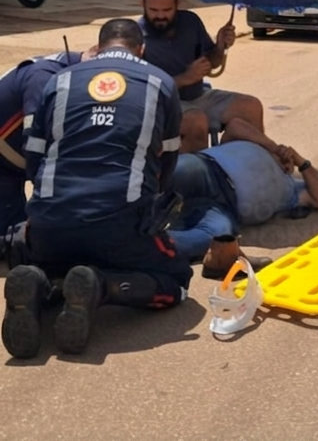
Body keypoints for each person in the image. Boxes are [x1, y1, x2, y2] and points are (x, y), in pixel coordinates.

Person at [2, 19, 190, 359]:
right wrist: (151, 208)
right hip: (118, 225)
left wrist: (42, 210)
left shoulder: (58, 81)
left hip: (48, 225)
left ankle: (39, 283)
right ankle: (102, 287)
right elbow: (170, 158)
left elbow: (34, 158)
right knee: (176, 279)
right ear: (141, 49)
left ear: (98, 46)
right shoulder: (160, 82)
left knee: (55, 252)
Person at [166, 116, 318, 279]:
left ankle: (148, 243)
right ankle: (140, 206)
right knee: (165, 175)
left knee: (221, 237)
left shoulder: (295, 191)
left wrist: (301, 161)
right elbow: (236, 125)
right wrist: (274, 148)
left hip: (223, 208)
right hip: (206, 170)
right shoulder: (262, 146)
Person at [138, 0, 265, 148]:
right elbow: (140, 90)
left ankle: (246, 166)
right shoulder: (136, 37)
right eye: (153, 10)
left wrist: (220, 46)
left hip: (199, 96)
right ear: (142, 5)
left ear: (178, 5)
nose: (160, 16)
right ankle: (198, 172)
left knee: (251, 106)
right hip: (164, 106)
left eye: (167, 10)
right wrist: (184, 78)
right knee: (197, 121)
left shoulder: (191, 22)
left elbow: (212, 62)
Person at [0, 51, 89, 237]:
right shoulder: (44, 77)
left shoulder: (73, 75)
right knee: (13, 238)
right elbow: (34, 142)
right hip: (7, 164)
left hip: (13, 164)